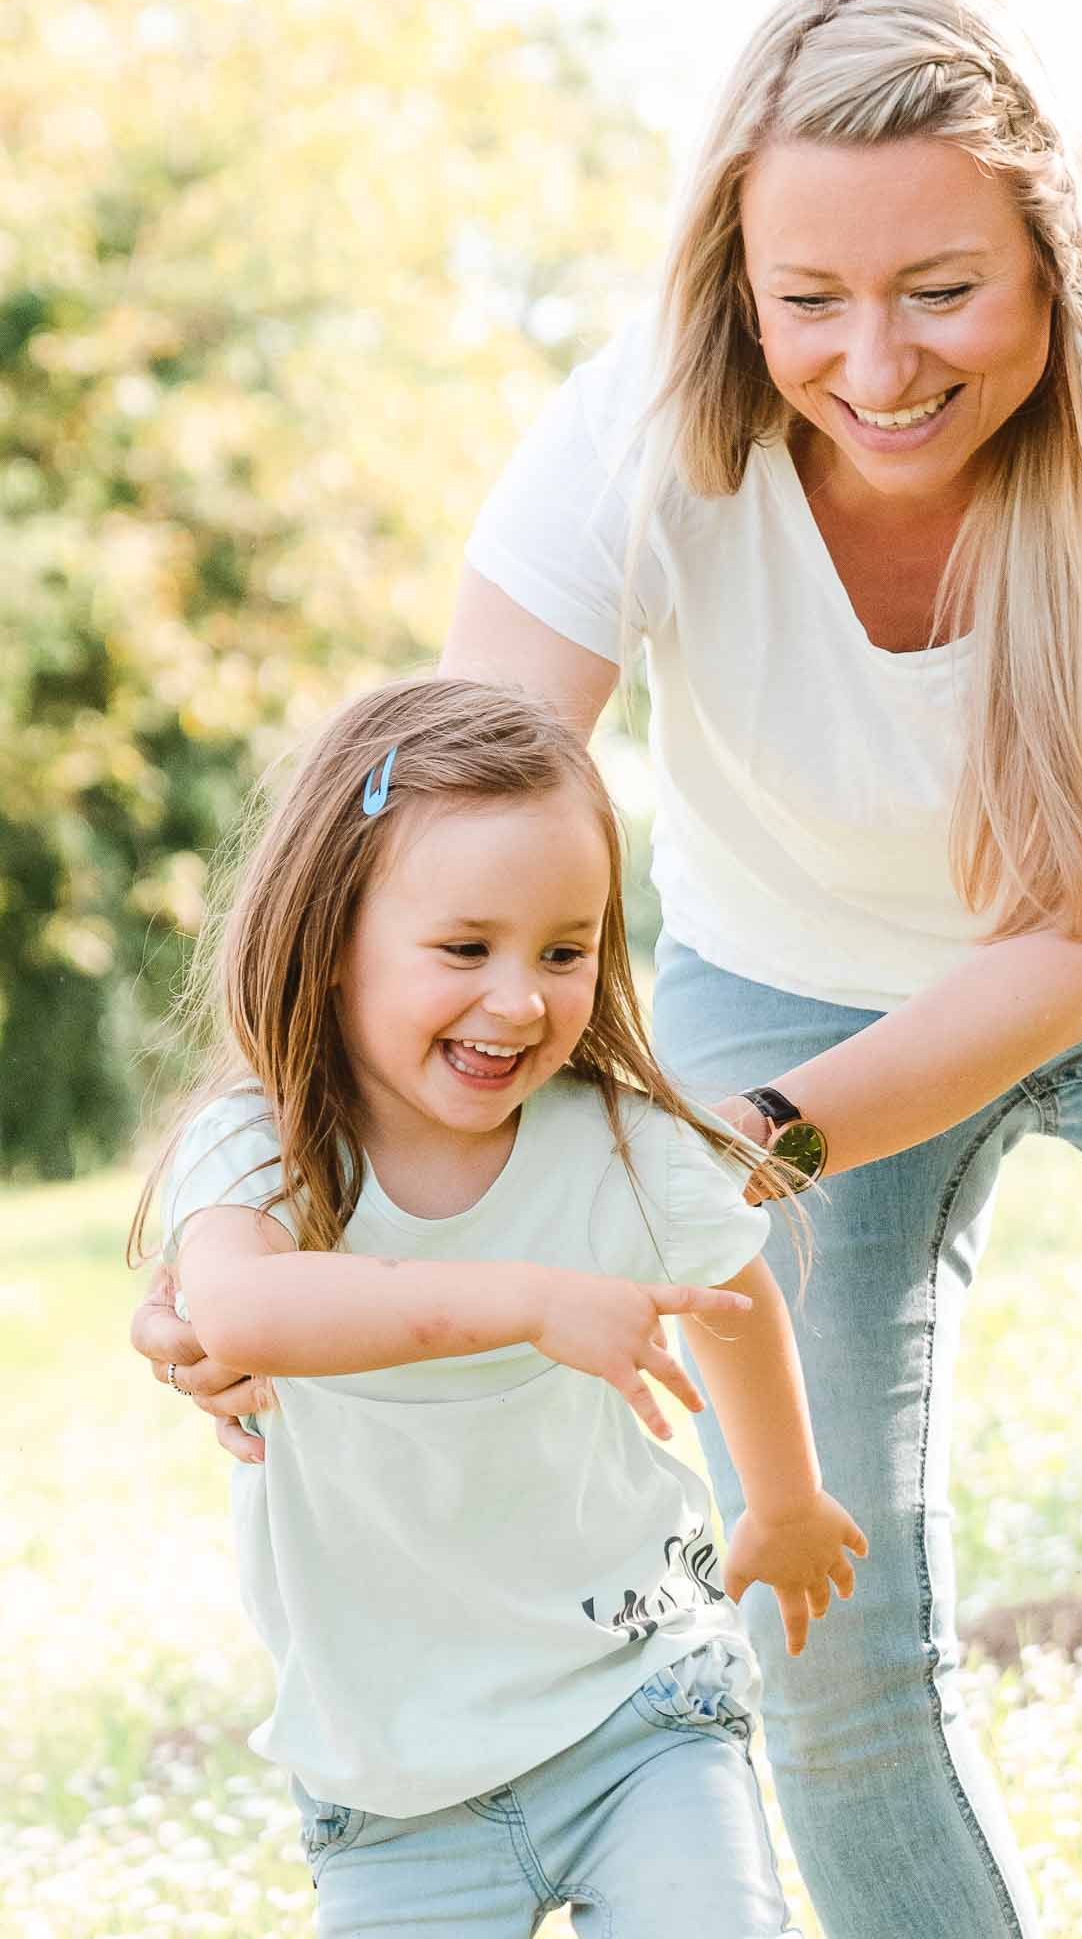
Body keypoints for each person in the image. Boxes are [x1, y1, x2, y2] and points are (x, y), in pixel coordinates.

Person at [134, 0, 1082, 1936]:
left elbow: (1081, 934)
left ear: (1058, 254)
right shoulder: (624, 447)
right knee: (808, 1607)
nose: (876, 365)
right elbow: (403, 875)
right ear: (734, 279)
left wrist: (726, 1144)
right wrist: (217, 1211)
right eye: (809, 301)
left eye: (942, 290)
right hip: (787, 965)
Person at [128, 676, 867, 1938]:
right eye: (465, 948)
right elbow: (243, 1309)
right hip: (393, 1785)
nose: (520, 998)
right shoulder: (260, 1151)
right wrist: (530, 1302)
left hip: (638, 1706)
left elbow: (731, 1285)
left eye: (564, 950)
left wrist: (786, 1497)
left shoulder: (620, 1147)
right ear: (334, 934)